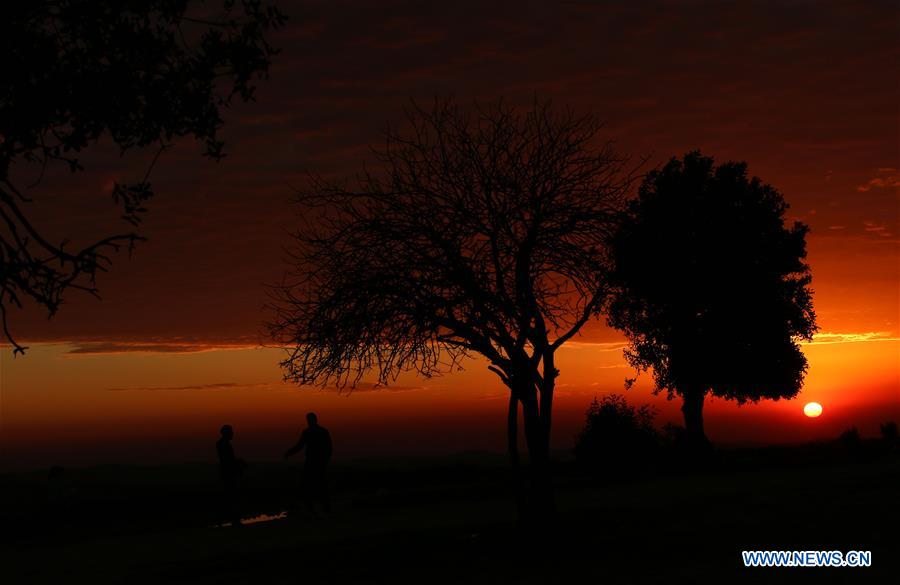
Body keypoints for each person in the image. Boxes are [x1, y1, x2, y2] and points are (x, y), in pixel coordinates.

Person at [284, 412, 333, 516]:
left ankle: (322, 507)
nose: (309, 422)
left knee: (316, 484)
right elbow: (300, 445)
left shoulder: (320, 432)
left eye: (310, 419)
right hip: (313, 461)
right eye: (308, 420)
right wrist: (290, 452)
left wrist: (325, 460)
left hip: (316, 462)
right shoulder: (312, 432)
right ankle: (317, 507)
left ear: (314, 420)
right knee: (313, 484)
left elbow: (328, 448)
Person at [216, 424, 246, 527]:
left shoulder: (222, 444)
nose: (233, 434)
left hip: (226, 472)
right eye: (231, 432)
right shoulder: (223, 444)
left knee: (229, 496)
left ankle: (228, 519)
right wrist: (238, 463)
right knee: (231, 496)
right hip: (227, 473)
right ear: (227, 433)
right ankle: (232, 520)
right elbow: (227, 460)